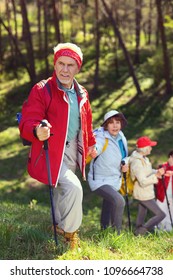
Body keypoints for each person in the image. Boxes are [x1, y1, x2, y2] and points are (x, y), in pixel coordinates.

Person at [19, 42, 97, 249]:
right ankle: (71, 233)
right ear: (55, 65)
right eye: (61, 63)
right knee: (73, 187)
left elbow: (86, 122)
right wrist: (37, 130)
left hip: (73, 148)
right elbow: (29, 119)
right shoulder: (42, 89)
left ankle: (59, 226)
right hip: (51, 149)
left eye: (70, 65)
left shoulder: (82, 94)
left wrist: (91, 144)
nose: (64, 69)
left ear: (77, 68)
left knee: (62, 190)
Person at [87, 110, 128, 234]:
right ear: (106, 125)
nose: (115, 125)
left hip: (114, 179)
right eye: (111, 123)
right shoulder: (101, 136)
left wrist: (125, 163)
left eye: (117, 122)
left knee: (108, 205)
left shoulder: (121, 137)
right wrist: (94, 151)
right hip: (99, 180)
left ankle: (104, 233)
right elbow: (97, 146)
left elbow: (125, 155)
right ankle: (117, 235)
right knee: (119, 201)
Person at [129, 136, 166, 236]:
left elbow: (147, 172)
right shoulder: (137, 162)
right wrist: (156, 176)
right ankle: (140, 231)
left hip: (146, 191)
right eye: (150, 146)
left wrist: (157, 172)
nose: (151, 148)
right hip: (142, 192)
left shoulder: (144, 159)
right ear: (144, 148)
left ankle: (137, 234)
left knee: (142, 213)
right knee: (161, 215)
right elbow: (143, 181)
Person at [155, 150, 173, 231]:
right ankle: (158, 234)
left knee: (171, 217)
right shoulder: (162, 167)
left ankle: (169, 233)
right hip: (161, 196)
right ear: (171, 156)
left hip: (171, 197)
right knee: (160, 215)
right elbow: (155, 182)